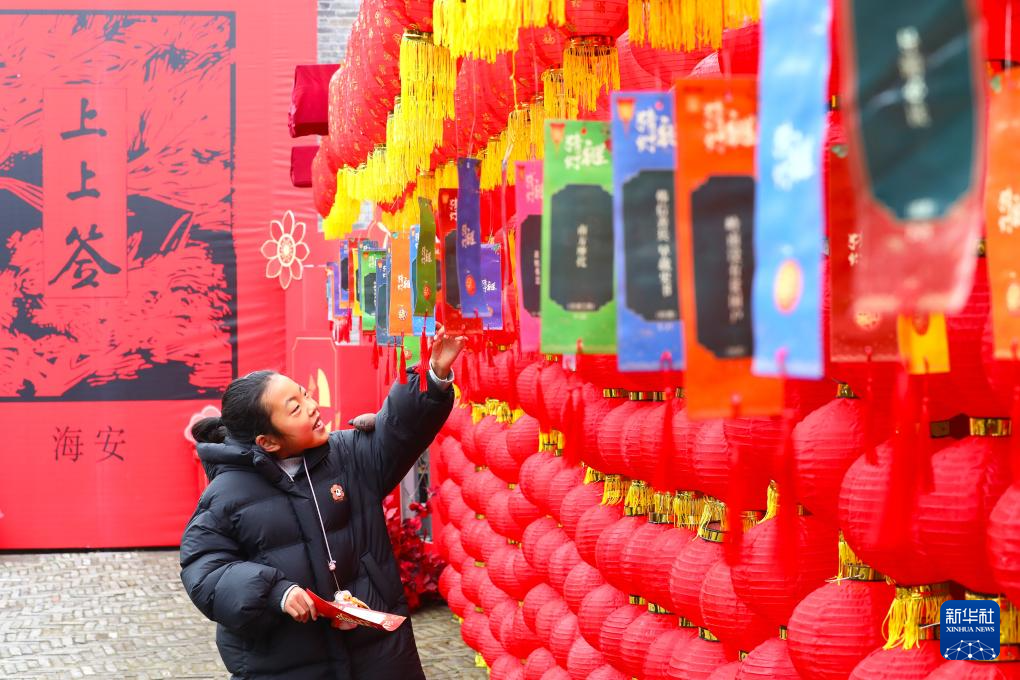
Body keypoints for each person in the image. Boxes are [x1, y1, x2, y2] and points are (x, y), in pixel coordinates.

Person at [180, 326, 467, 680]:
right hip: (286, 661)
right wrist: (275, 592)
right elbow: (204, 569)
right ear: (267, 442)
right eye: (295, 409)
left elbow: (398, 431)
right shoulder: (227, 493)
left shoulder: (345, 454)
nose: (312, 407)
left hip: (376, 652)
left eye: (305, 395)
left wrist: (434, 374)